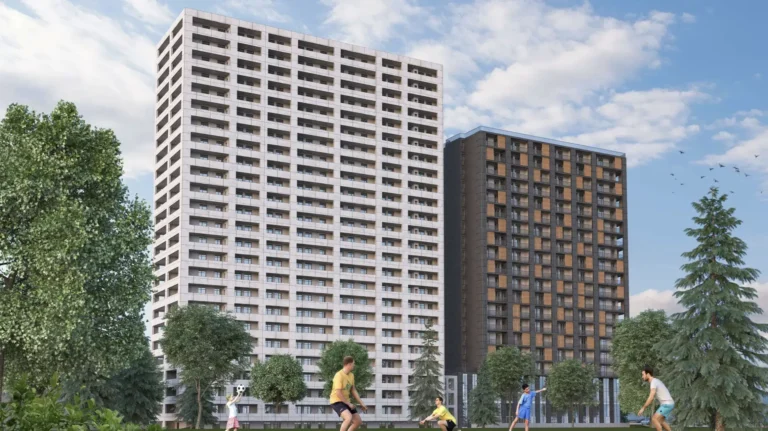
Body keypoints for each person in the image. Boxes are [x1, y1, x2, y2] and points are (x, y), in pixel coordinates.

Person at [329, 356, 368, 431]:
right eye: (353, 364)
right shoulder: (339, 375)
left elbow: (353, 390)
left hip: (346, 401)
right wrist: (349, 404)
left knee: (358, 421)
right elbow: (338, 393)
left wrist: (361, 403)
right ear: (349, 364)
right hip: (336, 401)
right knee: (348, 417)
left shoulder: (351, 375)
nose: (354, 365)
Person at [638, 366, 674, 431]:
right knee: (661, 421)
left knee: (654, 419)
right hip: (669, 403)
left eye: (643, 374)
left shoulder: (653, 382)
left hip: (667, 404)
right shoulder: (656, 381)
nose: (642, 376)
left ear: (648, 374)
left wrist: (643, 408)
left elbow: (651, 397)